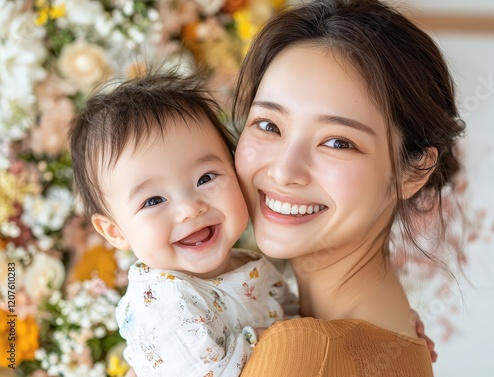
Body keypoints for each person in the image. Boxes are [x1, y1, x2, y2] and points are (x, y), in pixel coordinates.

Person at [228, 0, 465, 375]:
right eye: (269, 125)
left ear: (414, 171)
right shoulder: (389, 339)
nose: (284, 170)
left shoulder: (305, 353)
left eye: (338, 142)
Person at [68, 71, 294, 376]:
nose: (189, 209)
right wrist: (274, 339)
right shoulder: (161, 302)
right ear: (115, 231)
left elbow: (300, 318)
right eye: (153, 201)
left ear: (235, 168)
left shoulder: (249, 265)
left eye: (205, 178)